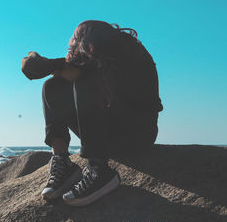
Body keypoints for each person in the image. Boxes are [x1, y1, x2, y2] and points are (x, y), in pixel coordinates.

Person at [21, 20, 163, 206]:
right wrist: (38, 63)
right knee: (53, 86)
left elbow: (79, 73)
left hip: (137, 135)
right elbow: (58, 68)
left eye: (76, 45)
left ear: (90, 44)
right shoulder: (97, 58)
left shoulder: (128, 55)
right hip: (109, 131)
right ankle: (63, 162)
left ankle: (100, 170)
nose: (72, 50)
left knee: (84, 82)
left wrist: (52, 65)